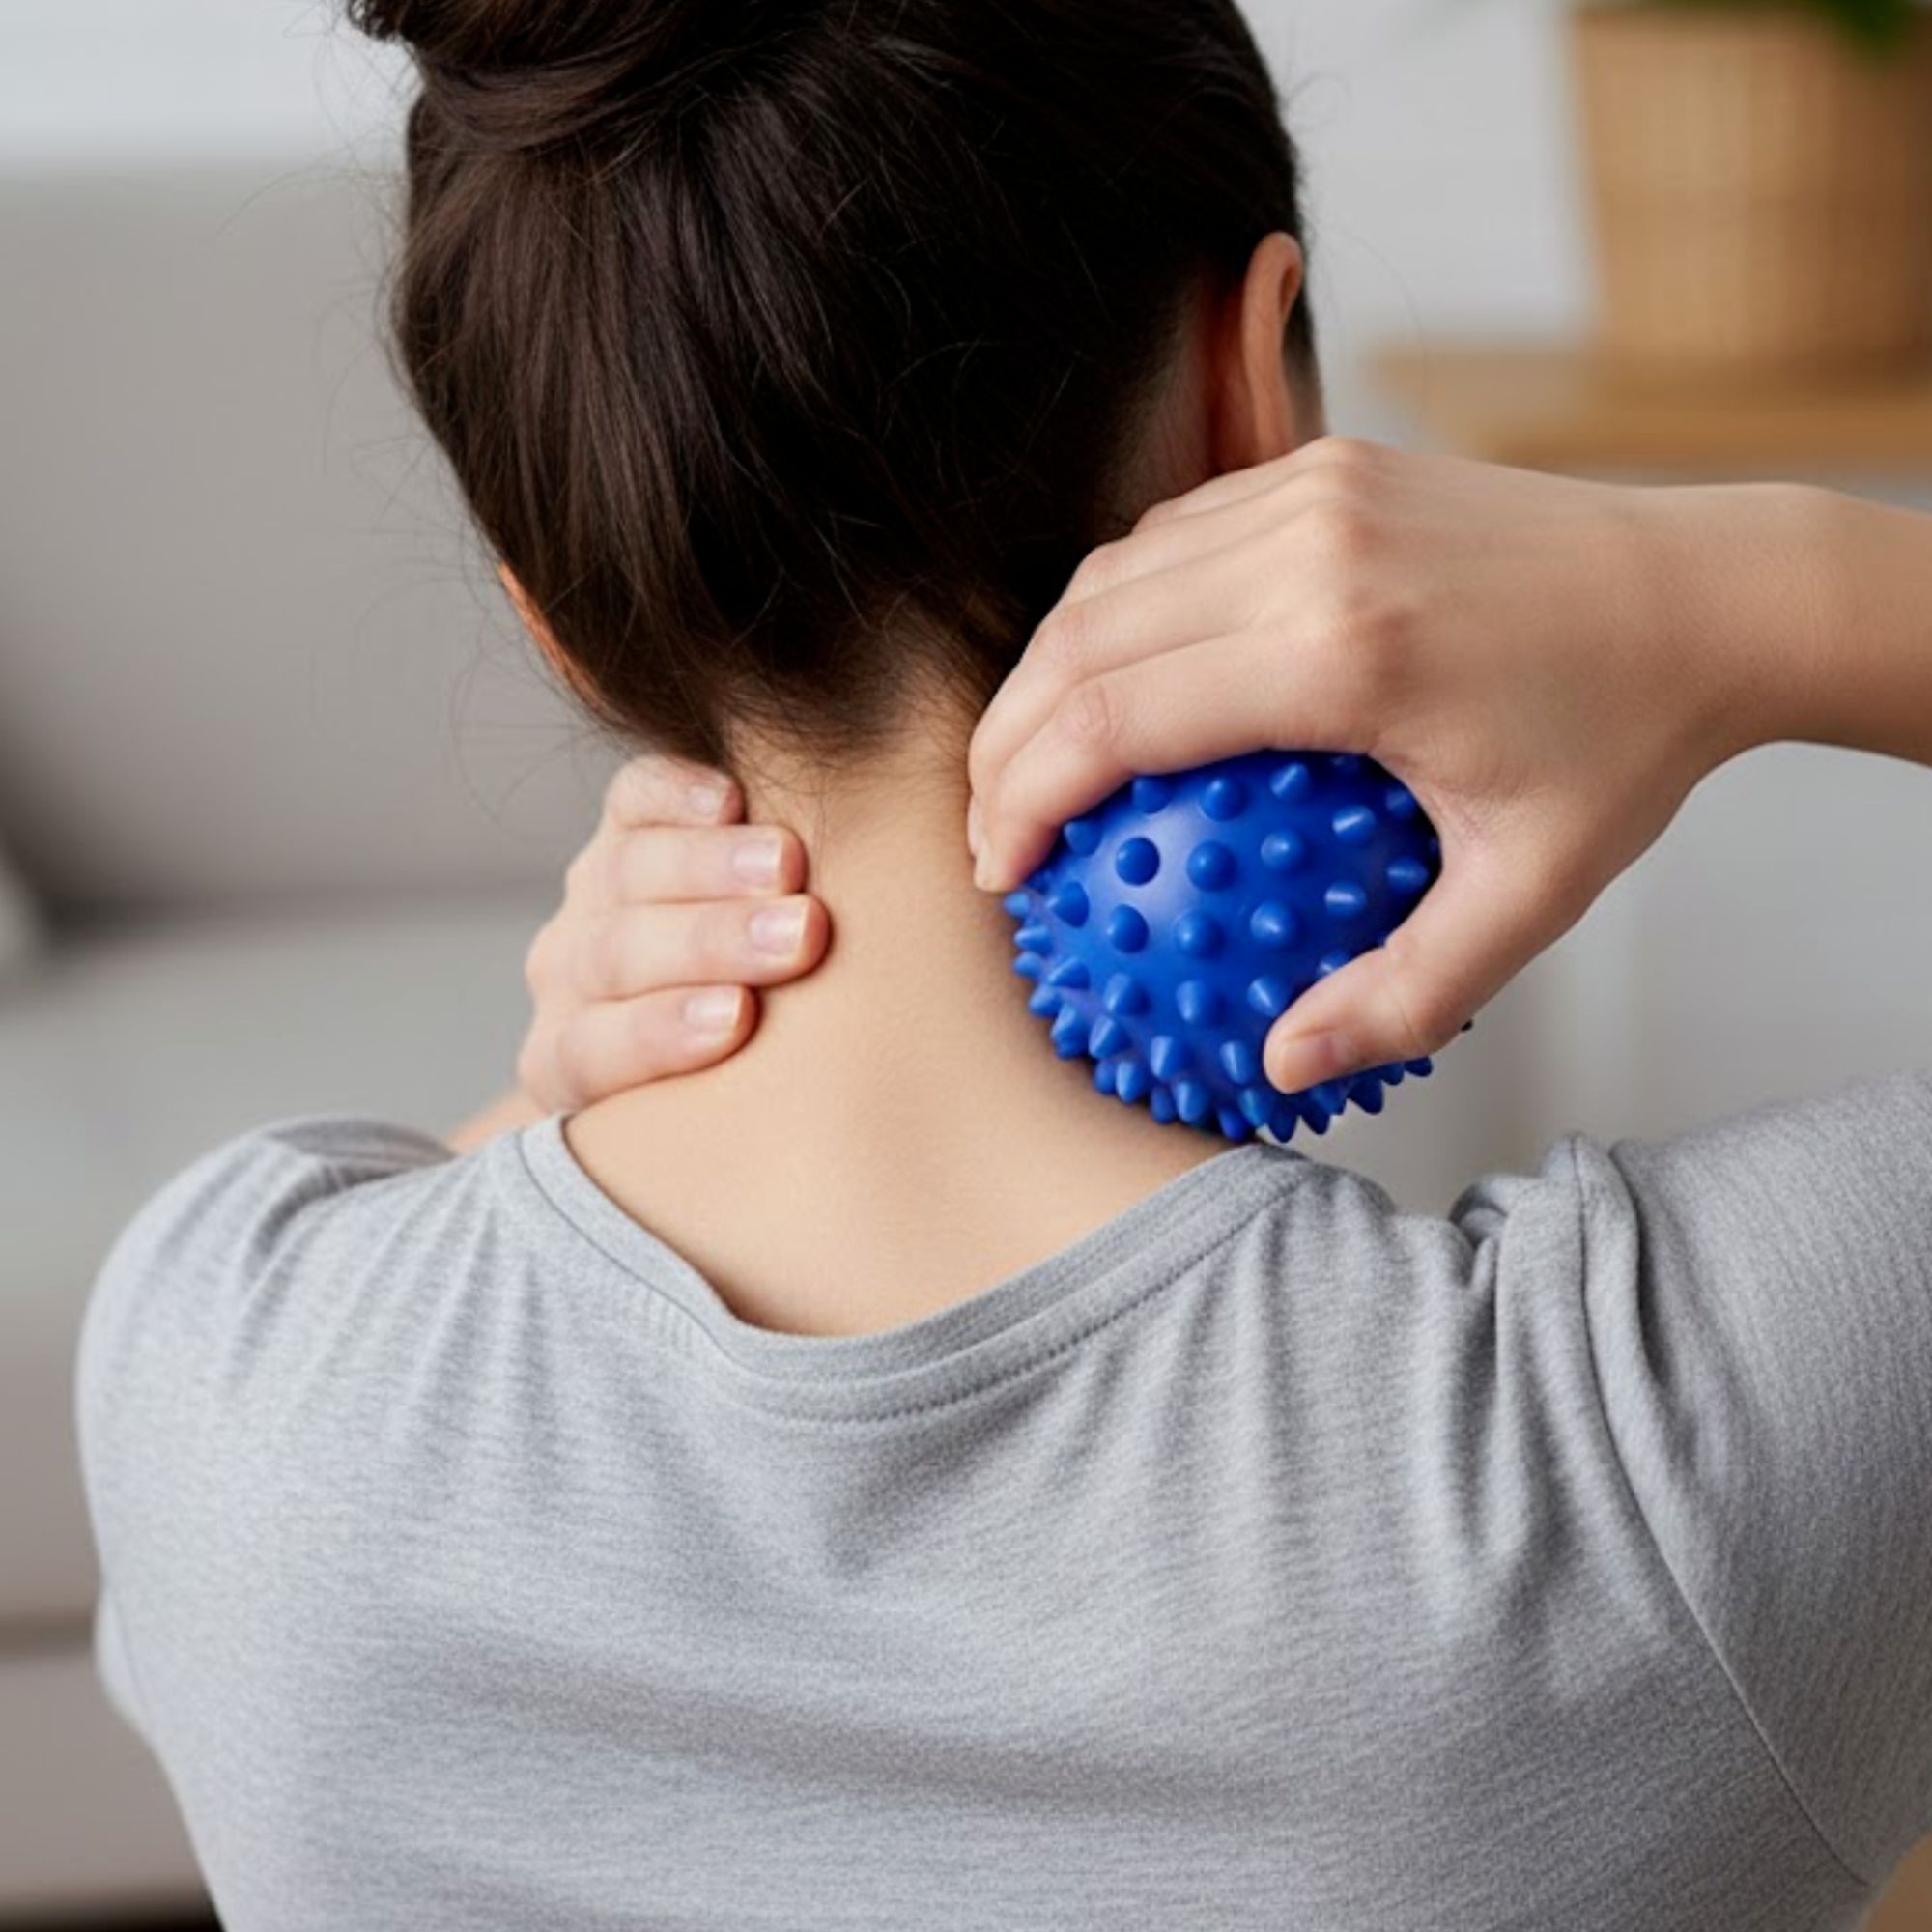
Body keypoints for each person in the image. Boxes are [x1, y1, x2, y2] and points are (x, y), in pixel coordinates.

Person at [75, 2, 1932, 1927]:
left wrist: (553, 1099)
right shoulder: (1665, 1454)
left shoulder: (220, 1375)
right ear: (1250, 404)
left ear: (559, 624)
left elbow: (408, 1288)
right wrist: (1754, 589)